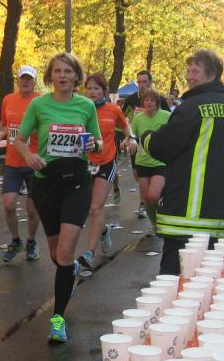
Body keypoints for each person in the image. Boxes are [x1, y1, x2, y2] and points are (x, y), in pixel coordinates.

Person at [139, 49, 224, 275]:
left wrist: (145, 137)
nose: (189, 76)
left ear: (211, 74)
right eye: (188, 71)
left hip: (184, 216)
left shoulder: (191, 107)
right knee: (208, 280)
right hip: (218, 215)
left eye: (195, 71)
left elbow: (164, 146)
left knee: (173, 281)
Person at [14, 52, 102, 343]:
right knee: (56, 255)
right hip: (46, 184)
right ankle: (70, 270)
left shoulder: (86, 105)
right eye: (57, 71)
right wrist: (29, 156)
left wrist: (93, 144)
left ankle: (57, 318)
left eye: (68, 71)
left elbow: (99, 143)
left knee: (64, 252)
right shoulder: (39, 105)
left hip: (77, 183)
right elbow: (19, 140)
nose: (62, 76)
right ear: (50, 76)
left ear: (76, 76)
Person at [77, 73, 135, 274]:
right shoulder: (80, 108)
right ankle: (104, 230)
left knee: (96, 208)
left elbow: (125, 125)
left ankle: (89, 254)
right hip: (84, 164)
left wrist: (131, 138)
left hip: (106, 163)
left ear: (104, 90)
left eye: (96, 88)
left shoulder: (113, 109)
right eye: (89, 88)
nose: (92, 92)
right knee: (87, 209)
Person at [0, 65, 42, 263]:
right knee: (9, 205)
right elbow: (4, 123)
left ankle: (32, 242)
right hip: (12, 162)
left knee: (32, 209)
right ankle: (16, 241)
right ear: (17, 80)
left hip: (33, 161)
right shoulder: (8, 99)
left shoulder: (41, 100)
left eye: (29, 78)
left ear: (34, 81)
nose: (25, 81)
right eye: (22, 78)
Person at [130, 88, 169, 233]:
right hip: (142, 162)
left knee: (154, 195)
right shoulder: (138, 118)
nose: (149, 102)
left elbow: (175, 134)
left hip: (160, 161)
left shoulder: (166, 116)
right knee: (146, 198)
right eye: (146, 100)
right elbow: (131, 137)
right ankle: (155, 225)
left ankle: (164, 218)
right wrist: (133, 164)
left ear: (157, 102)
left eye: (152, 100)